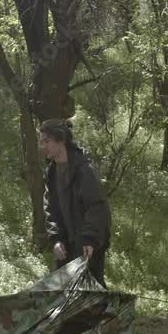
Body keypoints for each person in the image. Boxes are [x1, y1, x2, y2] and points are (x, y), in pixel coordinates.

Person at [39, 118, 111, 287]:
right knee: (62, 291)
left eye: (47, 141)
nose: (43, 146)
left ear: (61, 141)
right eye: (42, 142)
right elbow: (50, 209)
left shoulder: (84, 170)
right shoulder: (51, 172)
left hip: (87, 244)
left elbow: (97, 207)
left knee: (91, 290)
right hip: (65, 245)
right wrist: (56, 239)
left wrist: (90, 239)